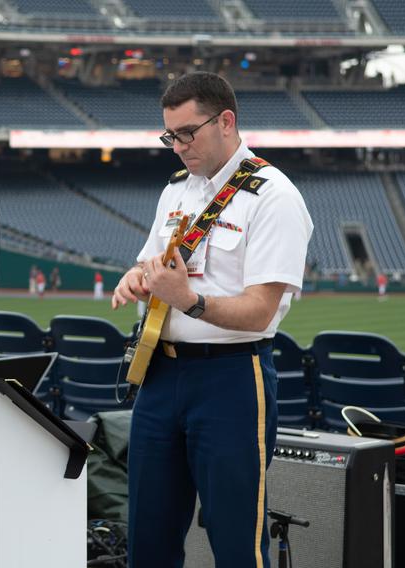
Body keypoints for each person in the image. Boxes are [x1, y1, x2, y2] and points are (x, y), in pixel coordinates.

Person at [112, 72, 313, 568]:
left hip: (231, 380)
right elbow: (151, 265)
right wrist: (135, 278)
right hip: (161, 375)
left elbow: (261, 310)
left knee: (235, 540)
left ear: (226, 121)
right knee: (147, 537)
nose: (177, 147)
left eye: (187, 133)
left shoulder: (273, 196)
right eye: (170, 135)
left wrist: (189, 300)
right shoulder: (177, 190)